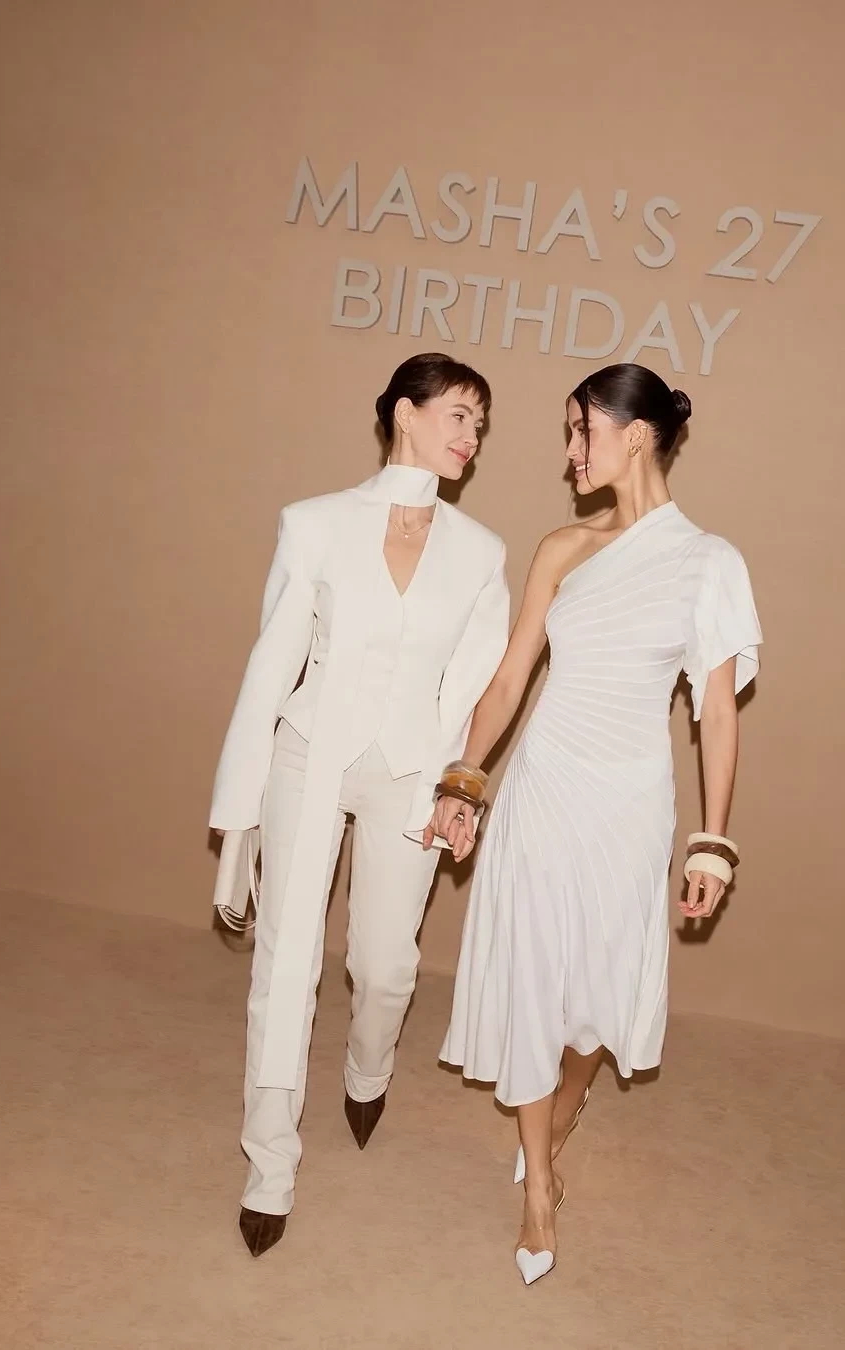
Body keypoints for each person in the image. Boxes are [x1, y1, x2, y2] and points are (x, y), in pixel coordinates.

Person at [425, 363, 762, 1285]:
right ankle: (539, 1181)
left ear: (636, 434)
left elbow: (717, 712)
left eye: (583, 431)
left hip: (630, 805)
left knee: (593, 1003)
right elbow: (509, 680)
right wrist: (463, 780)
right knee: (536, 977)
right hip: (544, 790)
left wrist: (714, 844)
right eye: (570, 433)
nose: (571, 452)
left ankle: (569, 1100)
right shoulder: (563, 549)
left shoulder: (709, 562)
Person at [210, 352, 510, 1257]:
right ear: (405, 414)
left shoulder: (482, 552)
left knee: (384, 966)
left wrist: (455, 786)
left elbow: (474, 684)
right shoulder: (315, 523)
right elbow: (271, 661)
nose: (470, 436)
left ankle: (368, 1069)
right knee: (285, 963)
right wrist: (238, 812)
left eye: (480, 424)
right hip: (308, 753)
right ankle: (269, 1165)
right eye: (458, 415)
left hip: (411, 770)